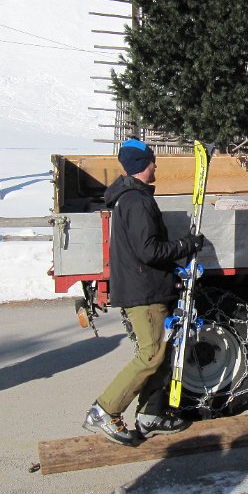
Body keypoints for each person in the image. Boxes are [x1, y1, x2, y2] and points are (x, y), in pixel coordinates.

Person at [82, 138, 203, 446]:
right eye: (152, 161)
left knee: (161, 354)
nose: (155, 165)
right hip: (144, 292)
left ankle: (151, 414)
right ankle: (106, 409)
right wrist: (185, 245)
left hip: (148, 288)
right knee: (150, 355)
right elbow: (148, 250)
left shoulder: (131, 197)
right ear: (141, 166)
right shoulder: (136, 201)